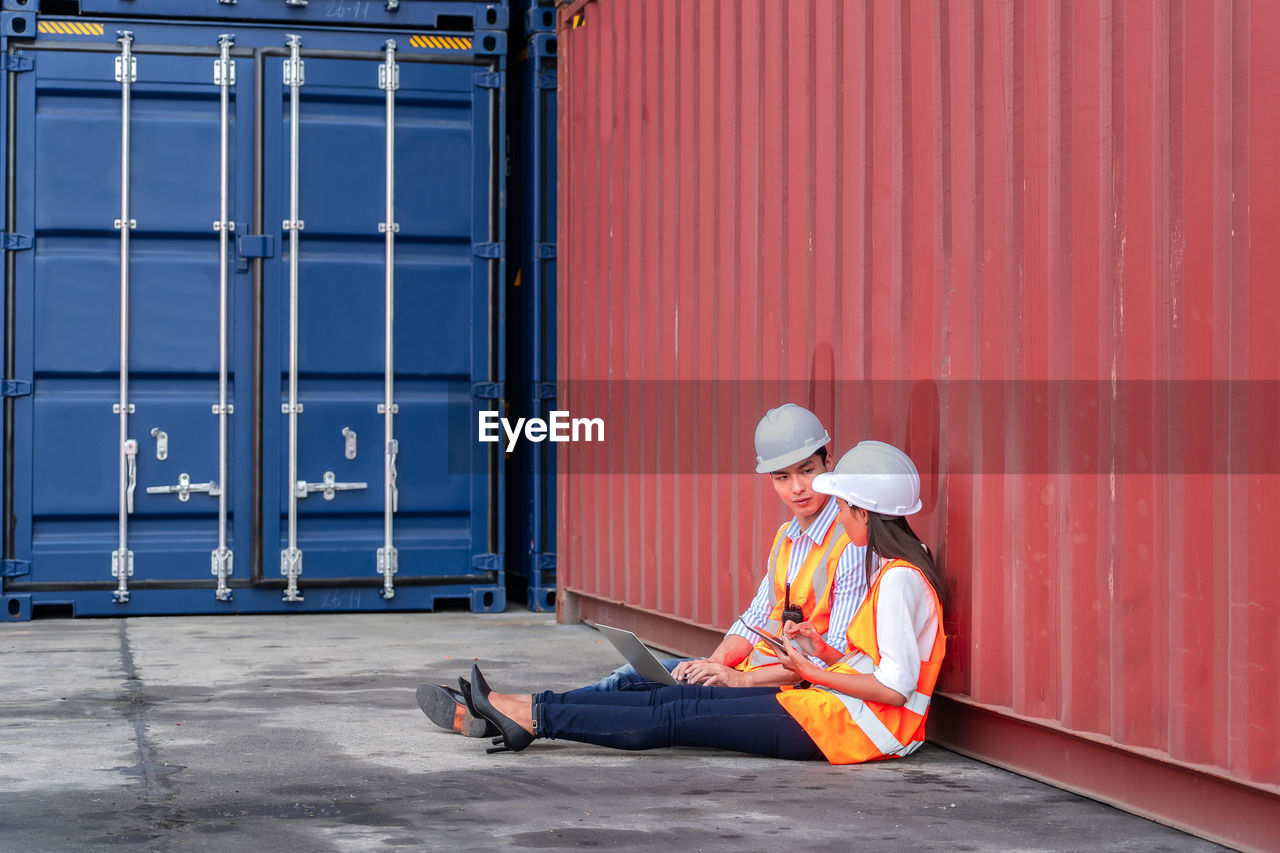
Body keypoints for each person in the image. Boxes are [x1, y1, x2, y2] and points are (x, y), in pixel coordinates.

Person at [456, 440, 947, 765]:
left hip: (857, 728)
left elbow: (896, 689)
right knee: (676, 696)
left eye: (842, 507)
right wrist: (821, 648)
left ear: (865, 510)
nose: (838, 517)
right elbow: (877, 663)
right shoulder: (896, 568)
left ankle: (533, 717)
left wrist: (812, 670)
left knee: (676, 716)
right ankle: (526, 709)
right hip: (835, 707)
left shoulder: (900, 578)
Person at [416, 404, 869, 736]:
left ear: (829, 462)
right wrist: (712, 663)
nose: (797, 488)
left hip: (792, 690)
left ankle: (508, 712)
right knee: (634, 677)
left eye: (806, 471)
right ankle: (506, 711)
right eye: (782, 478)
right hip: (755, 669)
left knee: (648, 695)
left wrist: (739, 678)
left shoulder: (849, 544)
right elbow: (754, 620)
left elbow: (835, 658)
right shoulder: (787, 539)